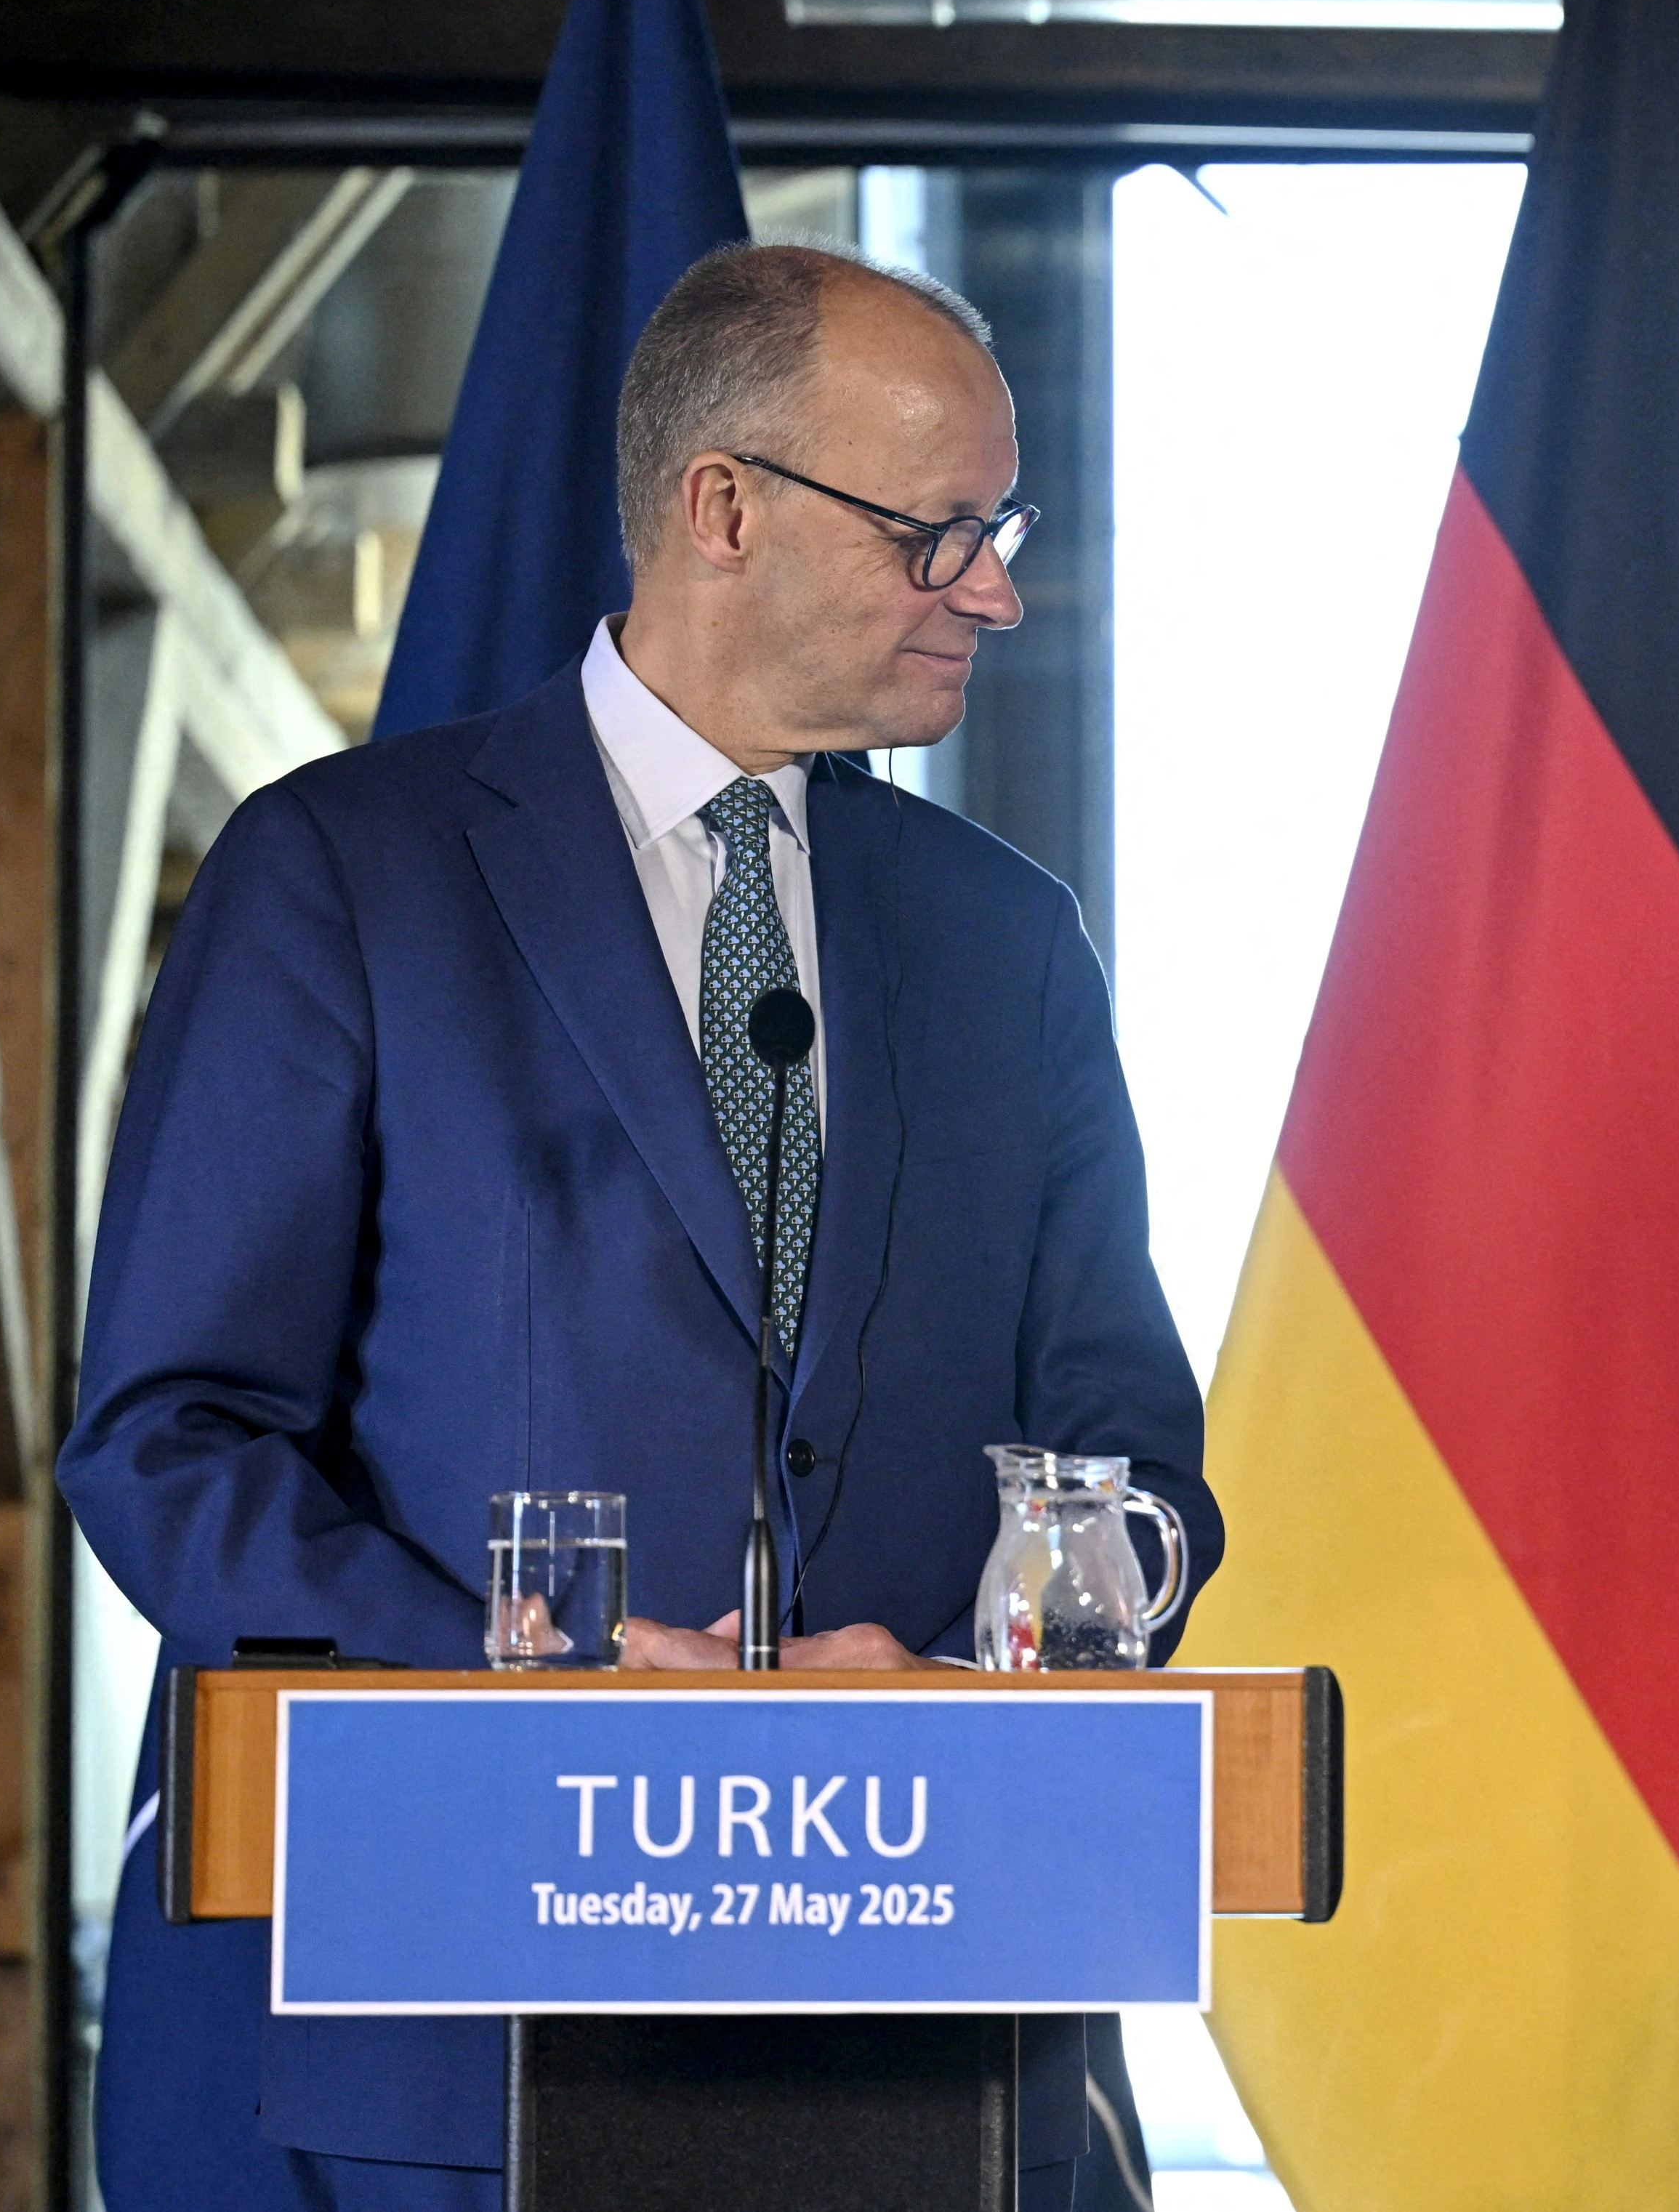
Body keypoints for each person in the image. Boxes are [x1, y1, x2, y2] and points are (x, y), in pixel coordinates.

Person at [61, 243, 1218, 2211]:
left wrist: (995, 1664)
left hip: (912, 2035)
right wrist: (509, 1689)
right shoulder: (346, 876)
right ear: (722, 509)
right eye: (943, 532)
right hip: (437, 2059)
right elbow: (168, 1438)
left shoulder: (1005, 941)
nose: (999, 589)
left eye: (1000, 528)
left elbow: (1133, 1451)